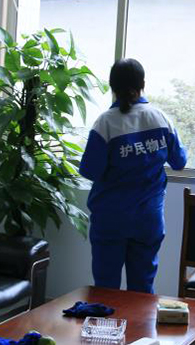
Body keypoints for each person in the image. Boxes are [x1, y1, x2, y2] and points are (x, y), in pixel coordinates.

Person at [79, 58, 187, 293]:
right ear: (142, 84)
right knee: (142, 291)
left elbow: (89, 170)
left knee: (106, 291)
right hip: (148, 219)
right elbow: (179, 161)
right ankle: (140, 320)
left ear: (112, 87)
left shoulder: (105, 123)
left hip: (110, 219)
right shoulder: (160, 118)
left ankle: (107, 318)